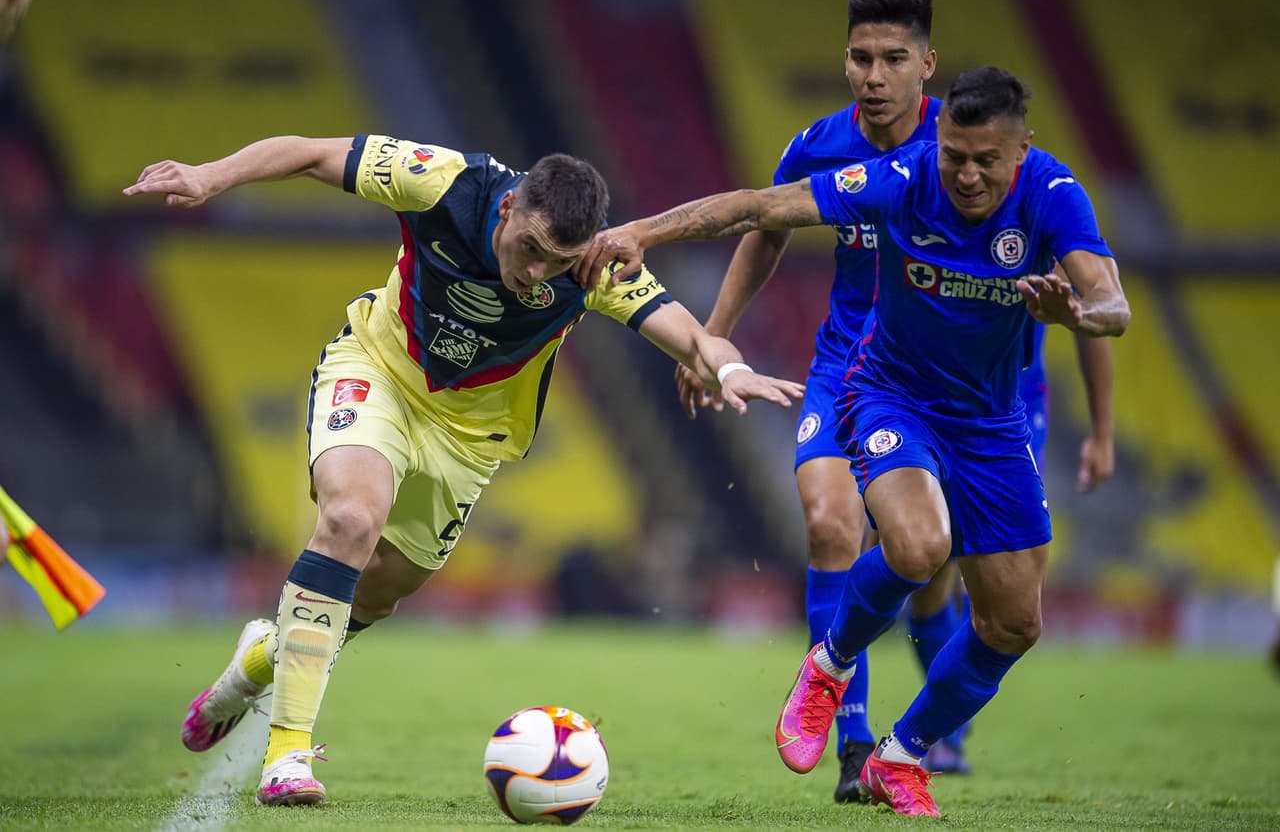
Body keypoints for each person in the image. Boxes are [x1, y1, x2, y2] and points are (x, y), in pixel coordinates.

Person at [123, 134, 804, 806]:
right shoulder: (442, 181)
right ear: (508, 209)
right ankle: (287, 752)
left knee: (377, 595)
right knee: (350, 519)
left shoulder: (594, 265)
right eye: (530, 248)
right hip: (382, 373)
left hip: (472, 439)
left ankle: (255, 664)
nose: (537, 271)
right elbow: (308, 151)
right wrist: (211, 175)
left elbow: (687, 333)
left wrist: (733, 367)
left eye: (556, 260)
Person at [575, 66, 1130, 816]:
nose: (966, 175)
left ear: (1021, 150)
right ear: (939, 141)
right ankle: (828, 667)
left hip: (992, 423)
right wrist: (641, 230)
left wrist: (1077, 318)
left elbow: (1112, 305)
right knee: (916, 544)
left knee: (1014, 622)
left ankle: (899, 759)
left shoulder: (1054, 194)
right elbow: (759, 207)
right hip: (890, 392)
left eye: (985, 161)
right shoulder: (901, 177)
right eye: (954, 155)